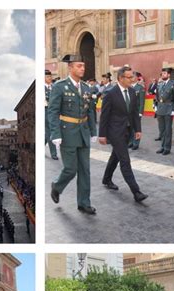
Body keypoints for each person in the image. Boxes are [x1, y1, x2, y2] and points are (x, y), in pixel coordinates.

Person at [48, 54, 98, 215]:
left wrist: (93, 131)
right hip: (67, 132)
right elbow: (53, 111)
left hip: (83, 132)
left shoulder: (86, 87)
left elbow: (90, 111)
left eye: (83, 66)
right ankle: (57, 186)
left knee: (85, 170)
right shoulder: (60, 86)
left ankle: (84, 202)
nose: (82, 68)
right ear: (70, 67)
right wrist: (55, 133)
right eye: (79, 66)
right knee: (71, 169)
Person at [98, 66, 148, 203]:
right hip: (114, 132)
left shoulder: (132, 92)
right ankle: (136, 191)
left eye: (132, 76)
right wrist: (102, 134)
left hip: (127, 131)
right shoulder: (110, 93)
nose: (132, 79)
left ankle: (106, 178)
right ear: (120, 78)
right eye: (129, 77)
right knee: (125, 160)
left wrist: (138, 130)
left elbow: (134, 113)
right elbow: (104, 116)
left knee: (116, 156)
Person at [155, 67, 174, 155]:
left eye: (165, 73)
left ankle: (167, 148)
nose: (163, 75)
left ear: (169, 75)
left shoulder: (173, 84)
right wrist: (156, 105)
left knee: (168, 130)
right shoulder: (160, 84)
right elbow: (157, 96)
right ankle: (162, 146)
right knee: (161, 129)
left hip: (169, 109)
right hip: (160, 108)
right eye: (162, 73)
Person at [129, 71, 145, 150]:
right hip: (129, 111)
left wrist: (140, 112)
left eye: (133, 76)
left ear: (136, 78)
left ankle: (136, 143)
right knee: (130, 127)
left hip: (136, 112)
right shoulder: (128, 87)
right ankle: (131, 142)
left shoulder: (140, 88)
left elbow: (142, 102)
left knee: (136, 128)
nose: (131, 78)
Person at [45, 69, 58, 160]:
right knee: (50, 132)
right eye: (48, 77)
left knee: (48, 132)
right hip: (46, 111)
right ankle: (54, 153)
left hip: (55, 111)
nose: (50, 78)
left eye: (50, 76)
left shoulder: (54, 86)